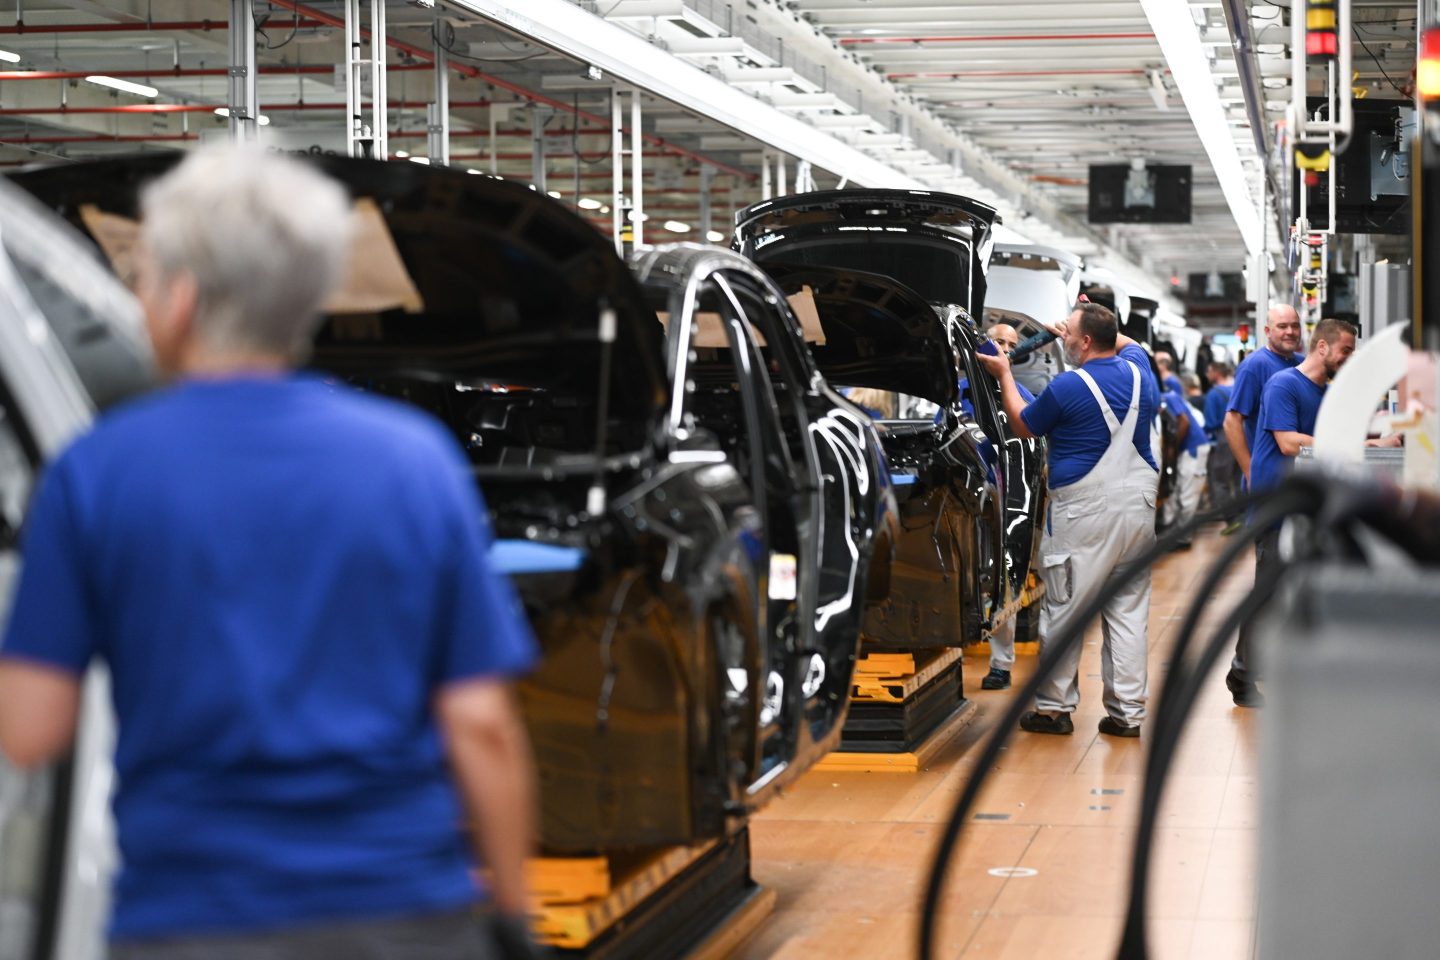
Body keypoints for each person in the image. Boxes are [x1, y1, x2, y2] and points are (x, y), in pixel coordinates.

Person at [0, 148, 540, 958]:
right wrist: (512, 913)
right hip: (403, 916)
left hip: (188, 922)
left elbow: (31, 728)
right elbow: (482, 724)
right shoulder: (411, 461)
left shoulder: (99, 472)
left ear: (179, 298)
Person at [977, 302, 1159, 737]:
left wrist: (1004, 373)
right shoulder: (1141, 372)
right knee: (1129, 614)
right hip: (1139, 510)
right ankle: (1127, 714)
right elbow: (1127, 343)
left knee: (1066, 610)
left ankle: (1054, 708)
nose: (1066, 340)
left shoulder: (1068, 386)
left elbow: (1023, 424)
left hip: (1084, 513)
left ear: (1087, 341)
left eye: (1071, 335)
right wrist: (1090, 317)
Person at [1227, 319, 1357, 707]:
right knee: (1268, 592)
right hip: (1275, 503)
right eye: (1346, 350)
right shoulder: (1283, 384)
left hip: (1305, 504)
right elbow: (1287, 443)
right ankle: (1242, 675)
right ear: (1322, 348)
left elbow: (1331, 437)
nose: (1350, 358)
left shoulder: (1324, 390)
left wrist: (1374, 441)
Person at [976, 322, 1029, 691]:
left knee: (1002, 576)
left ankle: (1001, 664)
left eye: (1011, 345)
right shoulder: (957, 390)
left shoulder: (1021, 394)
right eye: (998, 341)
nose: (1004, 349)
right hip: (964, 494)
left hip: (1002, 500)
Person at [1224, 304, 1303, 487]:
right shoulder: (1254, 366)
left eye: (1295, 326)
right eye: (1282, 326)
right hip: (1268, 478)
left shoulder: (1303, 364)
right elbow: (1231, 421)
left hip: (1298, 474)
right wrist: (1251, 472)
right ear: (1268, 331)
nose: (1290, 332)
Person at [1159, 374, 1209, 547]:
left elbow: (1184, 422)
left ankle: (1183, 538)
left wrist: (1173, 448)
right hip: (1188, 449)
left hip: (1193, 448)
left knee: (1187, 494)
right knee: (1180, 490)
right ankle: (1179, 533)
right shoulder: (1172, 397)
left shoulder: (1168, 397)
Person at [1204, 360, 1242, 532]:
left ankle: (1232, 519)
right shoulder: (1238, 388)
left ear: (1216, 373)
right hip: (1243, 435)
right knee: (1240, 477)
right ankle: (1246, 516)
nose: (1206, 375)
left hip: (1224, 437)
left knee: (1220, 481)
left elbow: (1211, 423)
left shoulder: (1214, 394)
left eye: (1209, 371)